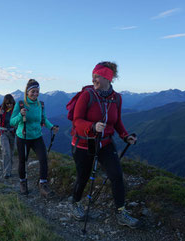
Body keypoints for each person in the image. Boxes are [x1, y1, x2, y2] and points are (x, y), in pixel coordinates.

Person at [69, 61, 140, 228]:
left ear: (107, 78)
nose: (94, 79)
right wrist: (92, 126)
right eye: (93, 76)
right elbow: (76, 120)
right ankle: (75, 203)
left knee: (116, 175)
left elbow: (117, 122)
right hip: (84, 143)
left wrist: (125, 136)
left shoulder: (117, 99)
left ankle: (121, 212)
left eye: (97, 76)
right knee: (83, 177)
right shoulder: (87, 95)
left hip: (105, 143)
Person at [10, 79, 59, 197]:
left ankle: (43, 185)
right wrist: (20, 115)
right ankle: (23, 182)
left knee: (43, 159)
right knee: (23, 161)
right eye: (33, 91)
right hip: (23, 137)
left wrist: (51, 127)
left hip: (37, 137)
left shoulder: (40, 105)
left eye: (37, 91)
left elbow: (43, 119)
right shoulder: (20, 104)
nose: (35, 94)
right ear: (27, 92)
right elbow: (12, 122)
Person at [0, 94, 16, 179]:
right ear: (4, 103)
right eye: (7, 103)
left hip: (12, 133)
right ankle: (6, 172)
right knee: (6, 151)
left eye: (11, 103)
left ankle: (9, 169)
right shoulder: (1, 110)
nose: (9, 105)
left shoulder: (16, 109)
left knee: (11, 152)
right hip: (3, 133)